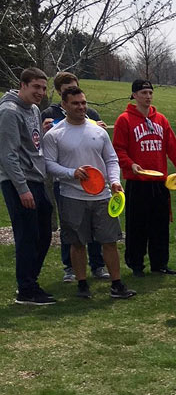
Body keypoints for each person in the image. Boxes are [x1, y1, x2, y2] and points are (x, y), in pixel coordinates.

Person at [41, 86, 136, 299]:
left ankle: (117, 284)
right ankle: (82, 284)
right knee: (77, 242)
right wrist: (71, 173)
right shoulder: (55, 134)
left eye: (83, 102)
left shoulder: (98, 131)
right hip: (72, 196)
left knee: (109, 241)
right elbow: (48, 164)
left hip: (102, 196)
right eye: (75, 103)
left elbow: (111, 159)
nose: (81, 107)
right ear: (64, 105)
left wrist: (113, 181)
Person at [113, 79, 176, 278]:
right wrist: (130, 164)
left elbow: (173, 149)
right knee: (137, 225)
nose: (147, 96)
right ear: (134, 95)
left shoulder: (161, 120)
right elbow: (118, 149)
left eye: (150, 92)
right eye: (143, 92)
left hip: (159, 182)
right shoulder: (125, 120)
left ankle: (160, 263)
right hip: (138, 182)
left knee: (160, 225)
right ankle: (136, 263)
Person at [41, 72, 108, 282]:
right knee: (71, 227)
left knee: (97, 227)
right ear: (61, 92)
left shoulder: (91, 113)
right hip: (67, 183)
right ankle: (69, 267)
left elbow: (101, 142)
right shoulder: (50, 113)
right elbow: (47, 147)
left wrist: (101, 128)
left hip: (95, 181)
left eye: (75, 86)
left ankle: (97, 265)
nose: (80, 106)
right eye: (67, 87)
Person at [0, 67, 56, 305]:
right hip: (17, 181)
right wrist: (22, 188)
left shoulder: (33, 109)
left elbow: (32, 144)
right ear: (22, 85)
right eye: (36, 87)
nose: (40, 92)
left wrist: (43, 133)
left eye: (43, 88)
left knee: (44, 234)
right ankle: (26, 290)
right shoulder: (9, 111)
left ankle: (31, 282)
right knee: (27, 235)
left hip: (36, 178)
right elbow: (7, 154)